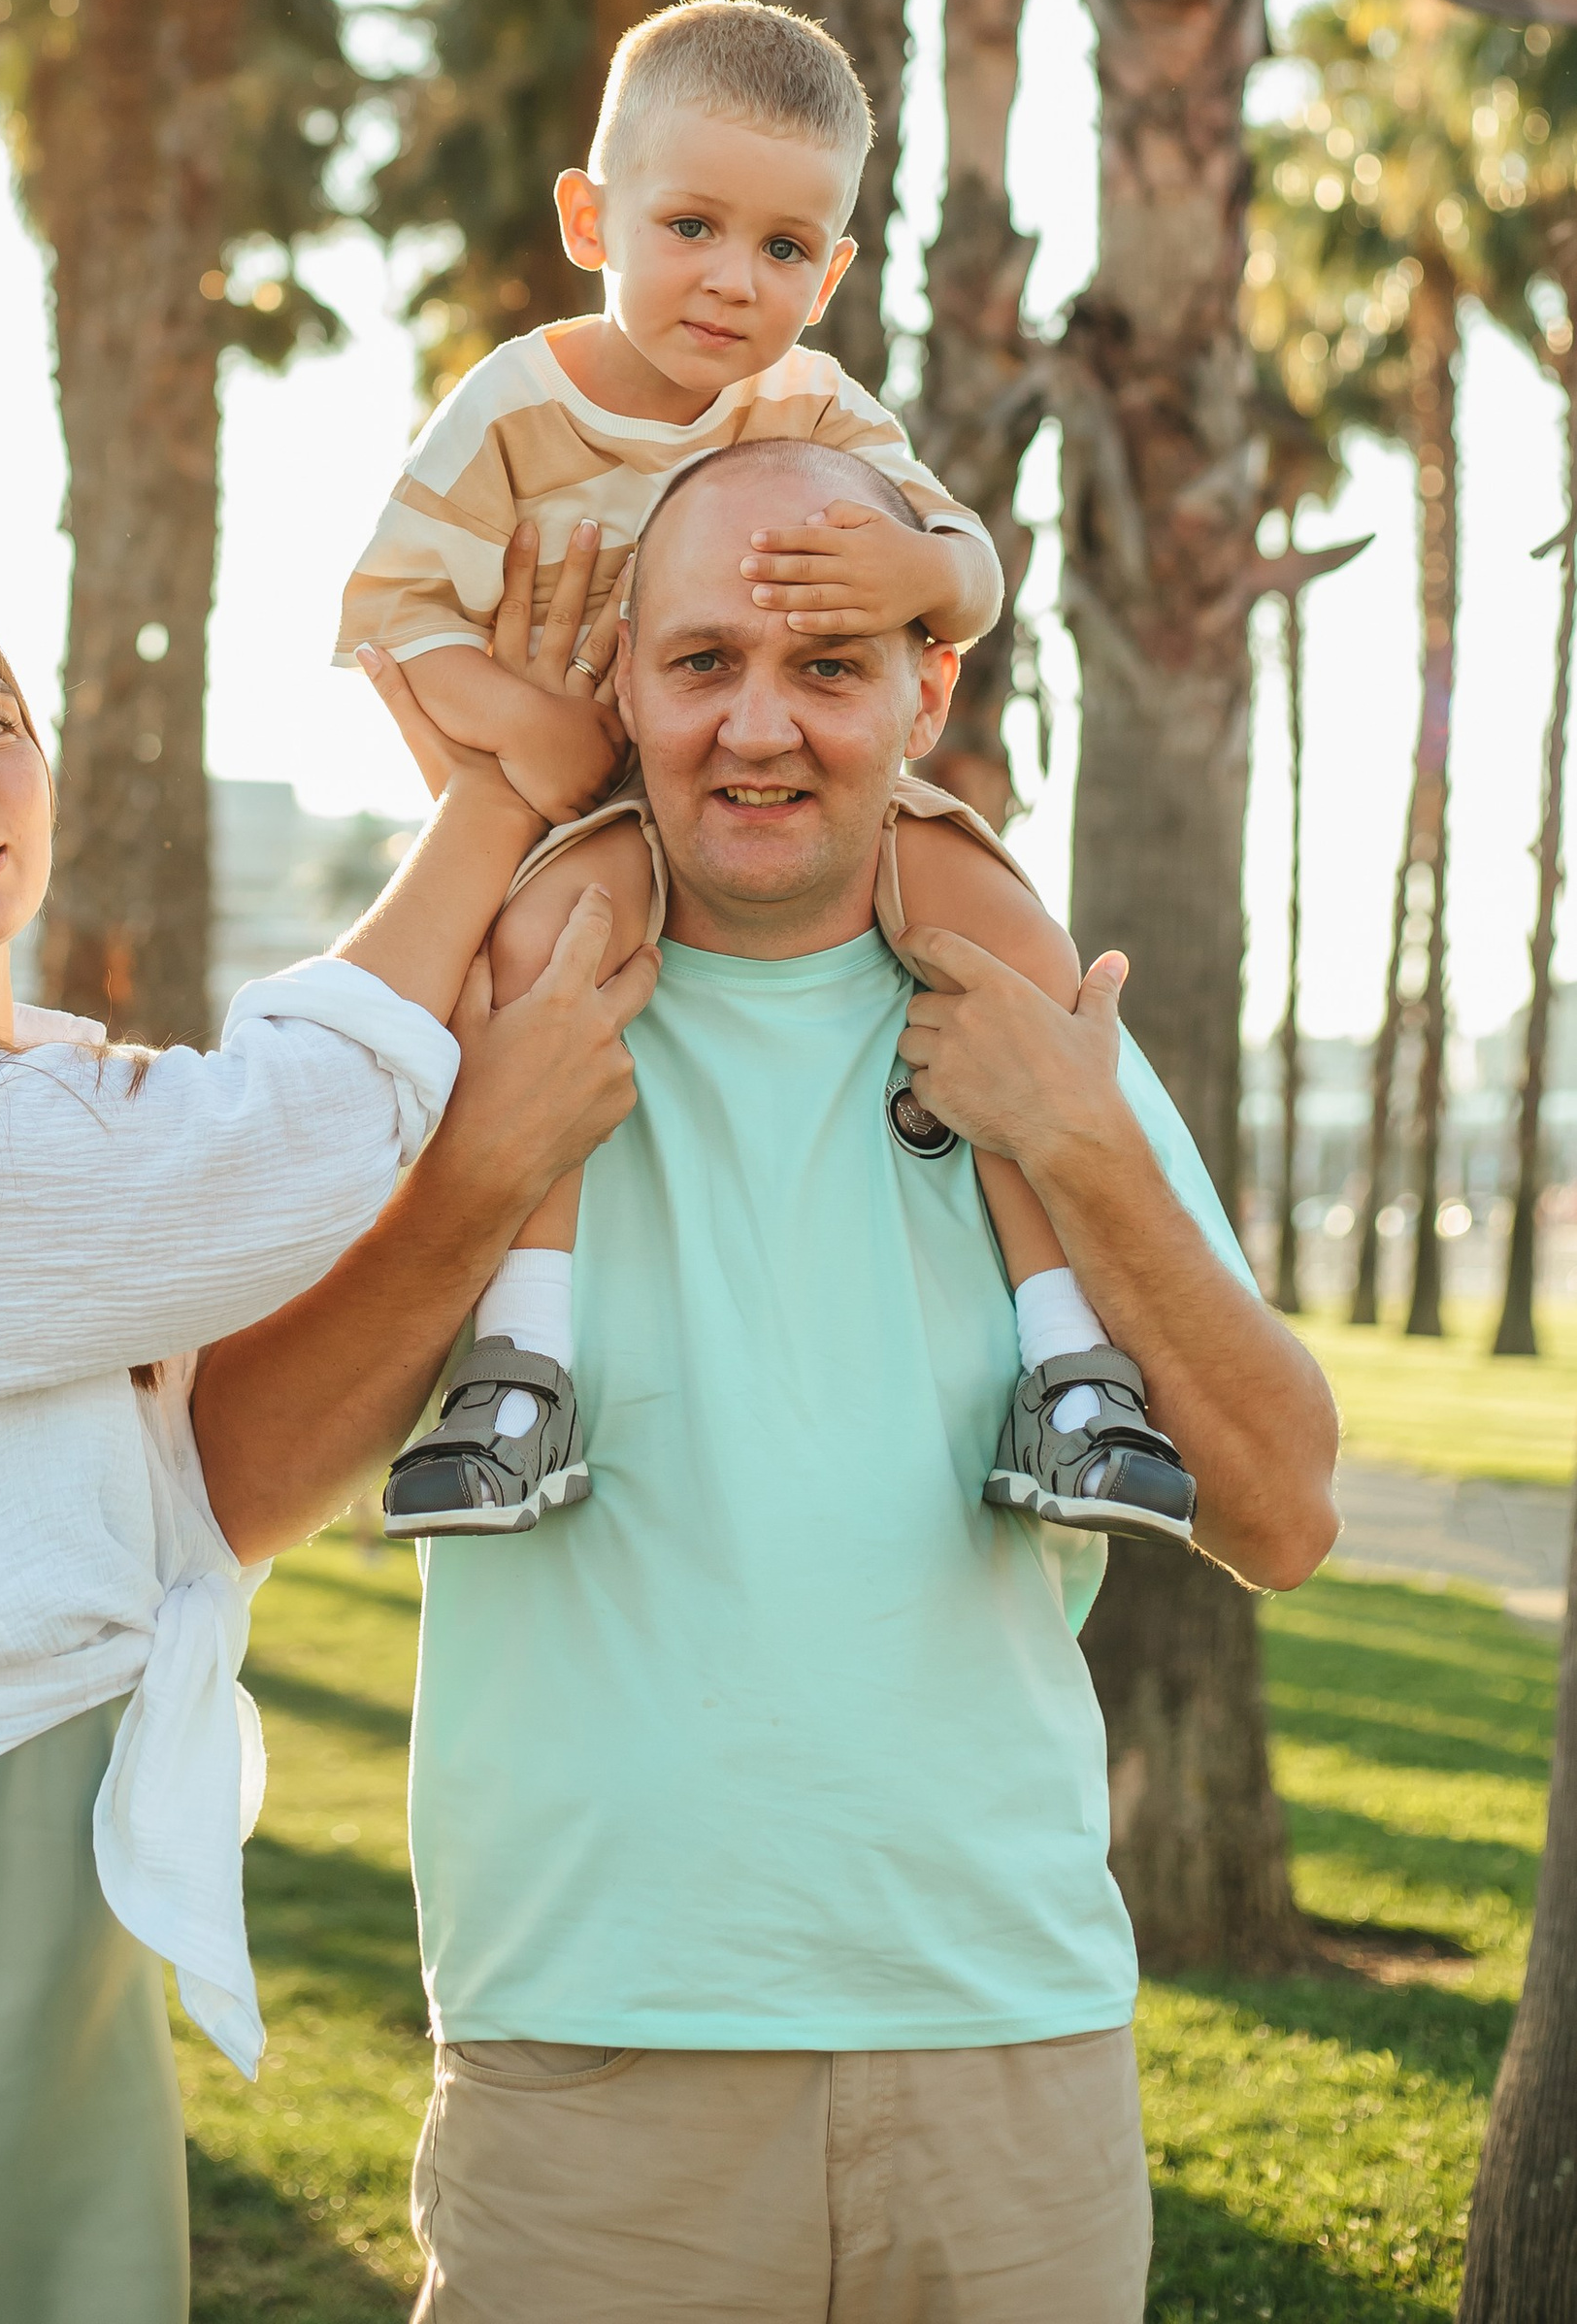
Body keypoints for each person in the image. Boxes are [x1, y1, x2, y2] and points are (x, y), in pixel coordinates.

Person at [199, 438, 1342, 2324]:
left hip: (1004, 2060)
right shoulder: (478, 1024)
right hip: (585, 2074)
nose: (757, 728)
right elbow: (230, 1479)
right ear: (620, 687)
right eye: (702, 661)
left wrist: (1088, 1149)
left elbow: (1283, 1513)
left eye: (822, 669)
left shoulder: (1029, 1030)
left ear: (924, 689)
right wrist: (480, 1167)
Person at [0, 560, 645, 2324]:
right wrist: (500, 788)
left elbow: (210, 1492)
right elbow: (289, 1137)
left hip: (50, 1978)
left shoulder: (30, 1088)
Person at [343, 0, 1191, 1552]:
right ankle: (520, 1364)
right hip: (603, 807)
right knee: (545, 962)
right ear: (592, 219)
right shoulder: (515, 413)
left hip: (803, 799)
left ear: (836, 268)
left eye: (788, 250)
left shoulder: (814, 411)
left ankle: (1072, 1366)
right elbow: (387, 617)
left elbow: (972, 569)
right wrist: (529, 731)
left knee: (998, 936)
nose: (737, 281)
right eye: (691, 226)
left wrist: (912, 569)